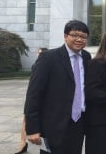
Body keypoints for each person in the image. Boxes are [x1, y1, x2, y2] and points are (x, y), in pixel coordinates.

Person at [24, 20, 91, 154]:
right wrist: (32, 129)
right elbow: (34, 94)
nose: (79, 39)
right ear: (65, 36)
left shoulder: (86, 57)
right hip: (53, 125)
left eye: (83, 37)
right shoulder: (48, 58)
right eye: (75, 35)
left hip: (78, 123)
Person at [15, 47, 48, 154]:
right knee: (26, 121)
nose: (39, 55)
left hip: (42, 102)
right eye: (38, 53)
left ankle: (25, 144)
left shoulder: (44, 64)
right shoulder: (36, 64)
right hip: (32, 99)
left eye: (40, 53)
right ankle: (23, 143)